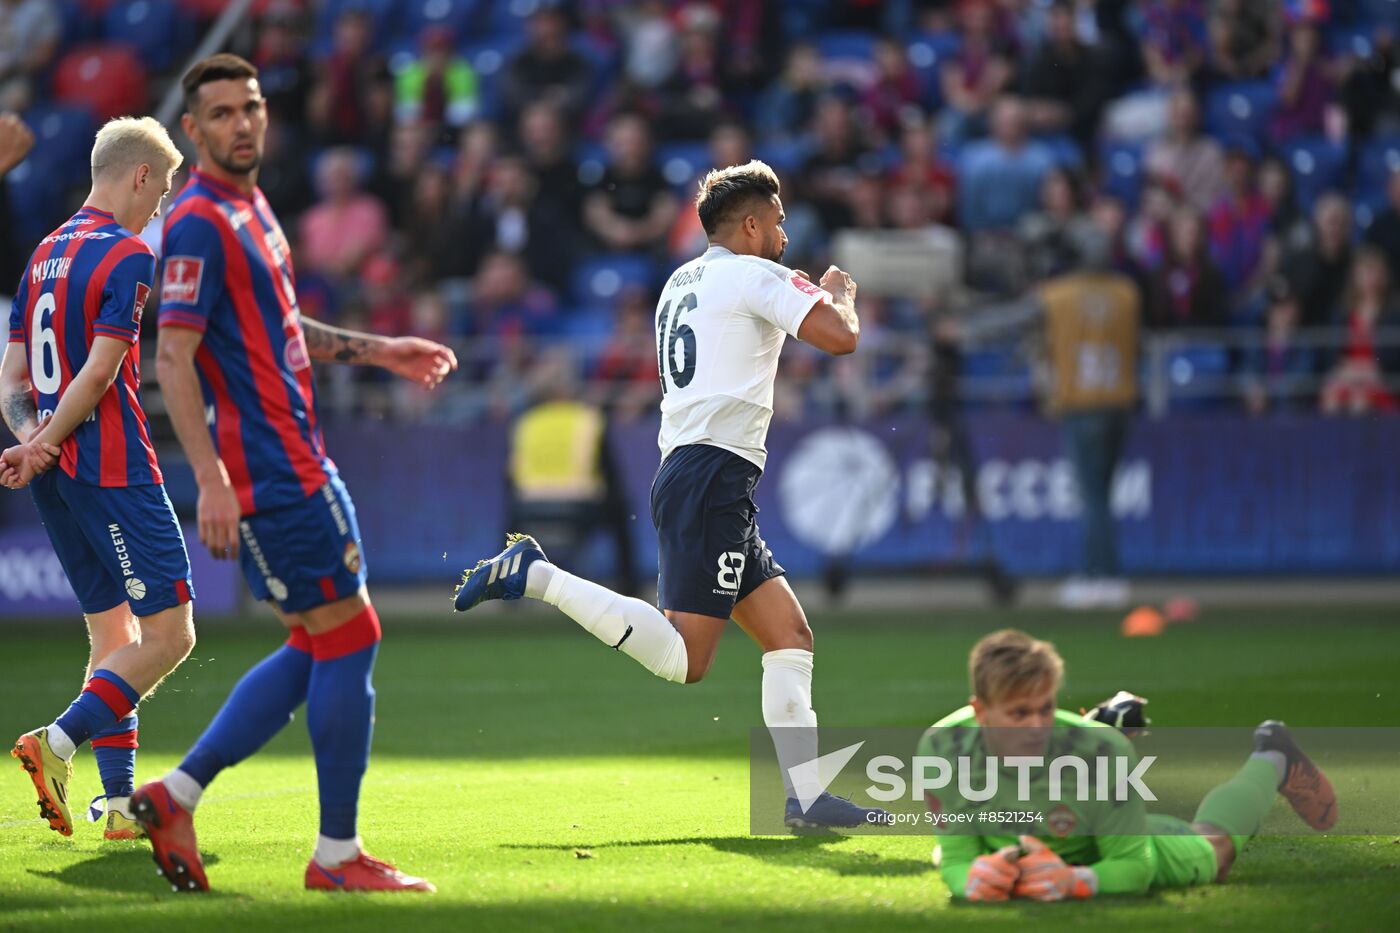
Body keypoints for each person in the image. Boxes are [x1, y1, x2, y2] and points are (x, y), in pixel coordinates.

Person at [453, 160, 889, 829]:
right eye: (776, 222)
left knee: (789, 636)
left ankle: (805, 797)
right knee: (687, 659)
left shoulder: (680, 280)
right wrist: (839, 293)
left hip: (702, 471)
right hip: (711, 476)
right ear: (748, 224)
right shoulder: (755, 273)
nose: (784, 235)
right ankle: (536, 573)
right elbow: (842, 337)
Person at [129, 54, 457, 894]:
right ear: (192, 130)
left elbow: (278, 324)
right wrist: (209, 479)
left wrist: (380, 350)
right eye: (222, 113)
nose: (242, 123)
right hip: (270, 470)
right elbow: (172, 353)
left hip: (298, 456)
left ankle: (178, 790)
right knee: (351, 636)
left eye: (252, 107)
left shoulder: (251, 206)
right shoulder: (199, 220)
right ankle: (337, 856)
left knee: (318, 640)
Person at [2, 117, 195, 842]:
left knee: (112, 633)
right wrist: (48, 440)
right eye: (164, 189)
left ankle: (116, 805)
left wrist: (29, 443)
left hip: (55, 473)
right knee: (171, 635)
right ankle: (53, 742)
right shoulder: (127, 253)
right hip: (111, 466)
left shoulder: (43, 253)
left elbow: (12, 377)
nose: (163, 207)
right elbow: (102, 370)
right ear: (139, 175)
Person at [922, 629, 1337, 901]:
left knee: (1217, 848)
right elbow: (958, 862)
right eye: (1018, 714)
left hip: (1112, 845)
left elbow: (1135, 868)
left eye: (1045, 709)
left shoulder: (1103, 753)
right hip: (1046, 836)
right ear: (980, 711)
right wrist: (971, 880)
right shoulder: (940, 749)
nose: (1036, 727)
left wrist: (1076, 881)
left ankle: (1272, 757)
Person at [949, 230, 1140, 608]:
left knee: (1091, 497)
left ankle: (1097, 576)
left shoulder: (1060, 295)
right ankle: (1110, 573)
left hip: (1082, 404)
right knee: (1103, 494)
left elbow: (1012, 320)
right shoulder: (1127, 294)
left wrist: (964, 329)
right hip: (1120, 402)